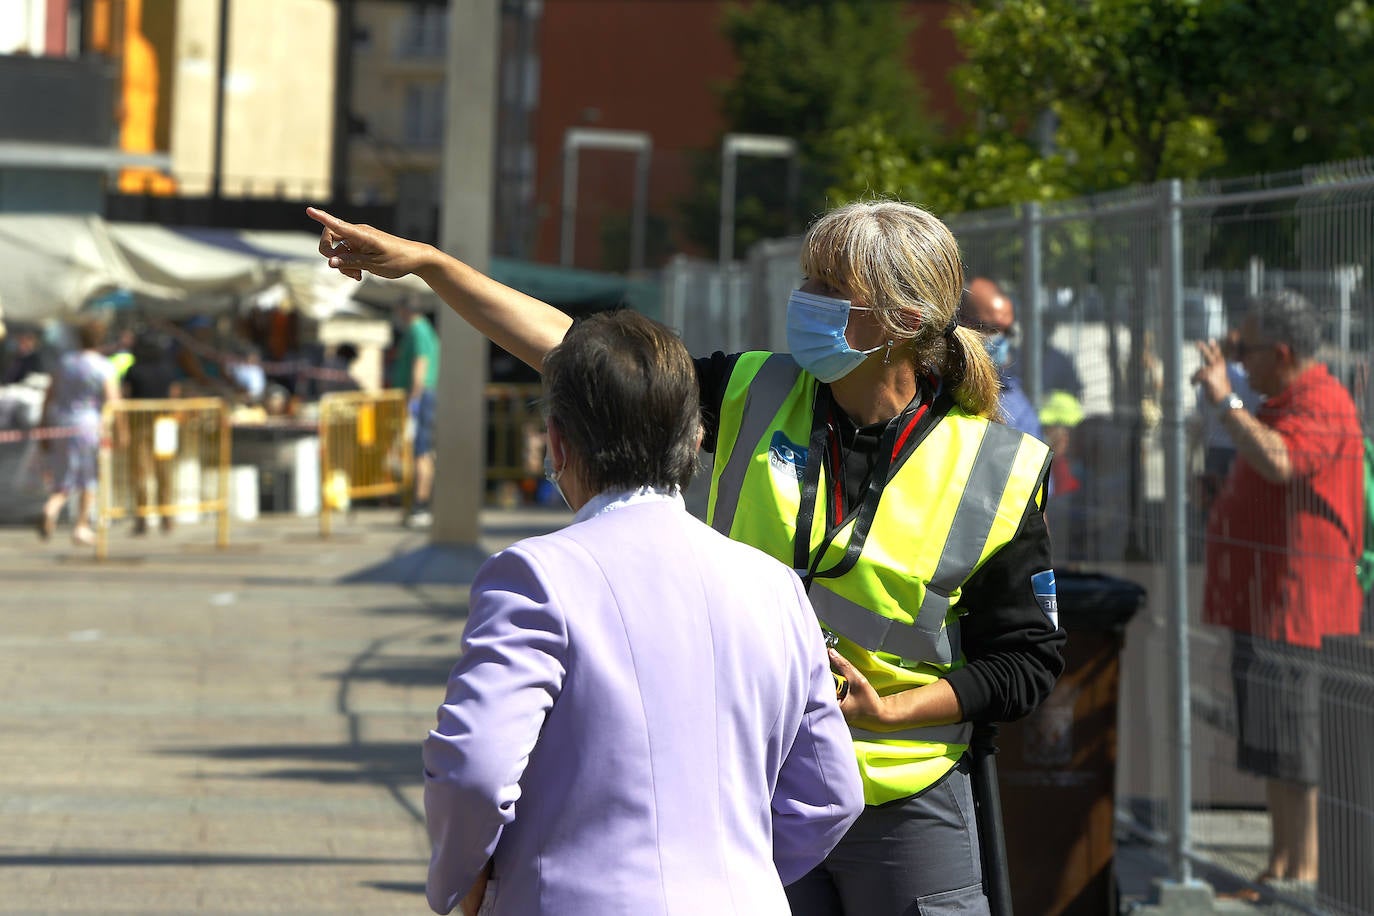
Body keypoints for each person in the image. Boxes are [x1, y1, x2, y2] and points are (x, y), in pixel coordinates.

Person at [308, 200, 1068, 914]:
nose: (802, 300)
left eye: (827, 289)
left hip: (905, 798)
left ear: (902, 320)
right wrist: (434, 267)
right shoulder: (750, 390)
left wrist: (893, 709)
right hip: (757, 785)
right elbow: (576, 354)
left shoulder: (994, 466)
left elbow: (1026, 661)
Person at [422, 309, 863, 915]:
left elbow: (473, 767)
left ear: (558, 443)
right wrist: (734, 877)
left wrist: (462, 882)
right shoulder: (777, 587)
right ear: (697, 437)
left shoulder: (536, 576)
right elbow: (832, 795)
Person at [1193, 289, 1364, 898]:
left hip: (1298, 607)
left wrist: (1225, 402)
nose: (1236, 361)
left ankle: (1304, 871)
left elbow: (1282, 463)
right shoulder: (1281, 399)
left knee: (1296, 744)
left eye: (1246, 349)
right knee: (1270, 738)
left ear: (1282, 352)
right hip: (1265, 602)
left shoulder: (1320, 400)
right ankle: (1279, 867)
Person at [37, 317, 121, 546]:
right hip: (89, 427)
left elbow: (48, 396)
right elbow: (114, 402)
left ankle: (51, 507)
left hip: (61, 425)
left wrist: (42, 425)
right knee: (88, 477)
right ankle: (82, 525)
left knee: (64, 476)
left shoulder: (65, 363)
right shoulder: (103, 365)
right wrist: (122, 429)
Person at [959, 278, 1042, 439]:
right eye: (992, 329)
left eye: (1007, 332)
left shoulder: (1018, 409)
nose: (1000, 340)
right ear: (962, 323)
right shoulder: (928, 389)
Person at [123, 332, 183, 535]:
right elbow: (175, 395)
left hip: (139, 425)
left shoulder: (133, 370)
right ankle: (166, 517)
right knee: (164, 472)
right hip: (164, 423)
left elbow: (126, 395)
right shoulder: (168, 369)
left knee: (140, 473)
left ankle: (142, 518)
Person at [390, 296, 440, 527]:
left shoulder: (418, 329)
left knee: (421, 451)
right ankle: (419, 504)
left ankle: (421, 505)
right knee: (422, 451)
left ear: (404, 310)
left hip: (421, 395)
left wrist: (414, 398)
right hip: (423, 395)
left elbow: (420, 364)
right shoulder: (423, 329)